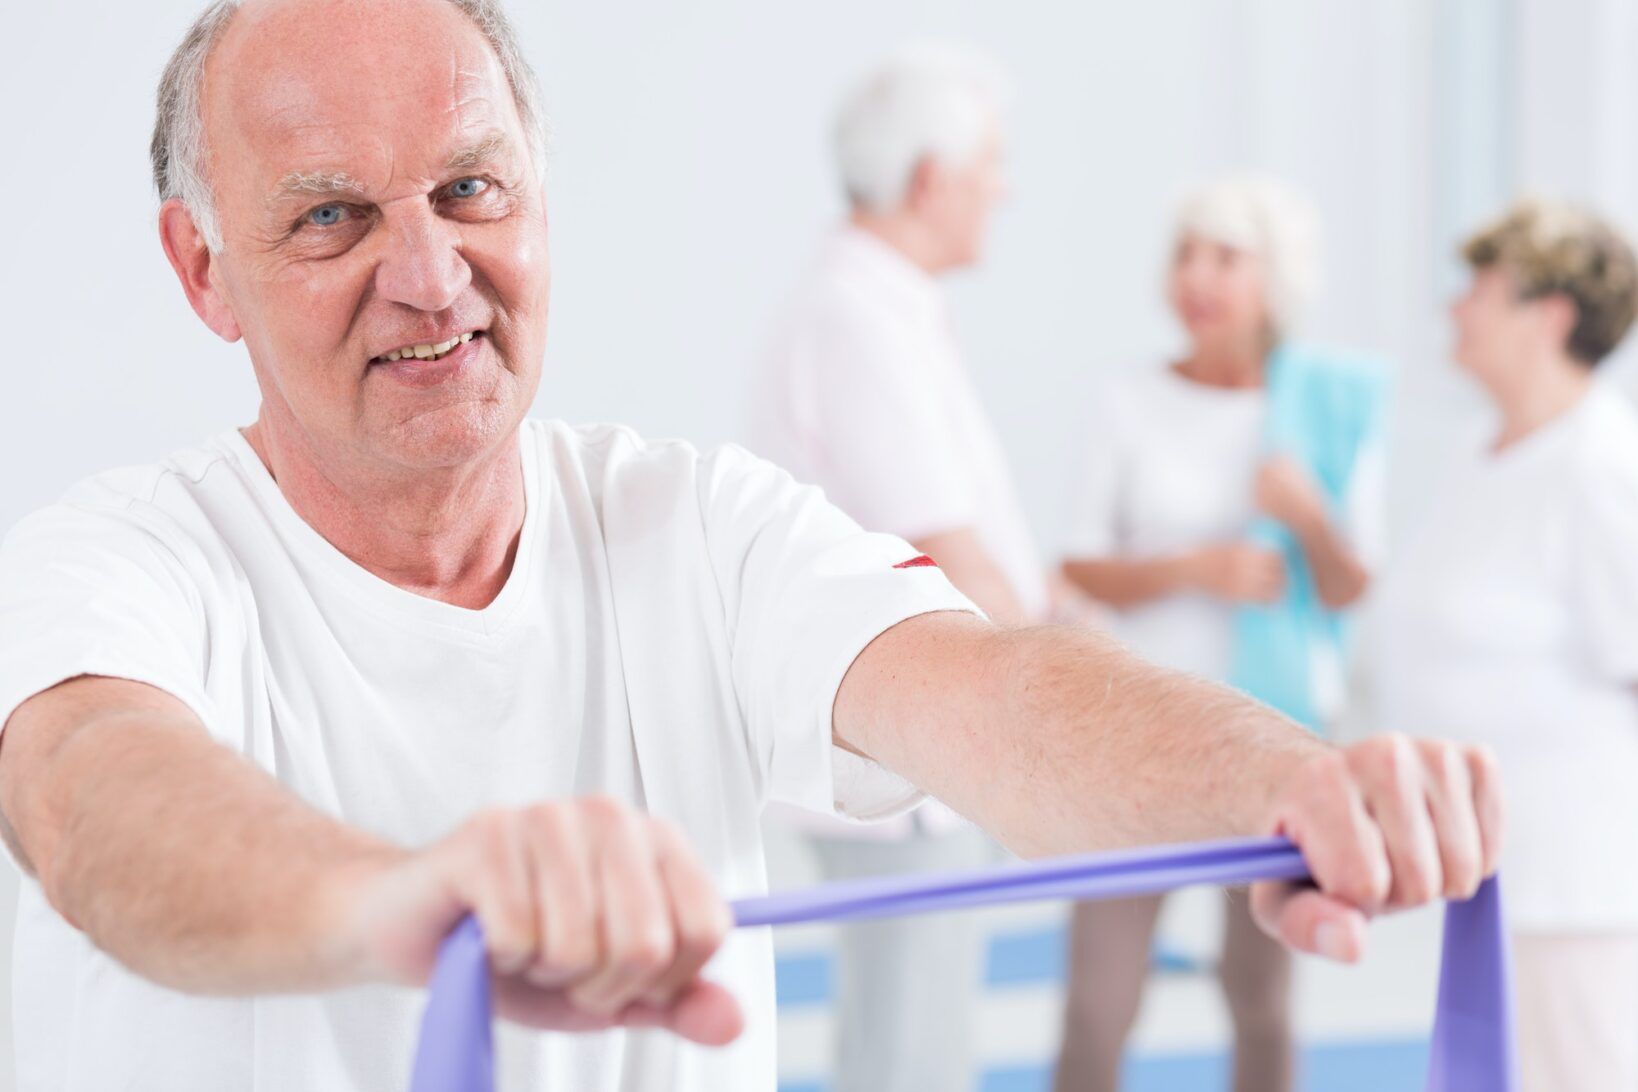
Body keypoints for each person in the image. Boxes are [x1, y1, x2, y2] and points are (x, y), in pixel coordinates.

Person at [0, 4, 1499, 1090]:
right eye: (331, 218)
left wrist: (1285, 779)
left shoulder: (696, 527)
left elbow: (982, 688)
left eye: (470, 191)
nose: (428, 276)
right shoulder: (117, 558)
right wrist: (402, 898)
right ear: (205, 271)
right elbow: (93, 802)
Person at [749, 45, 1042, 1092]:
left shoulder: (885, 306)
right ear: (932, 180)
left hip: (923, 751)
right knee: (908, 1061)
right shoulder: (860, 317)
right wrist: (1077, 690)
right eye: (990, 165)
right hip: (908, 762)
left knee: (908, 1045)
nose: (1003, 188)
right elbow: (948, 551)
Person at [1055, 176, 1387, 1092]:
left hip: (1265, 736)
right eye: (1184, 254)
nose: (1196, 277)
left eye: (1225, 258)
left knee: (1261, 998)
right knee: (1098, 1004)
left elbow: (1351, 587)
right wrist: (1192, 568)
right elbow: (1078, 566)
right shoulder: (1127, 396)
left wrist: (1309, 518)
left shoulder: (1326, 406)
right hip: (1132, 736)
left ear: (1275, 279)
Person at [1377, 199, 1638, 1092]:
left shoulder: (1602, 465)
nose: (1457, 307)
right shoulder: (1475, 452)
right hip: (1485, 878)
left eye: (1481, 289)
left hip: (1574, 883)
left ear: (1551, 316)